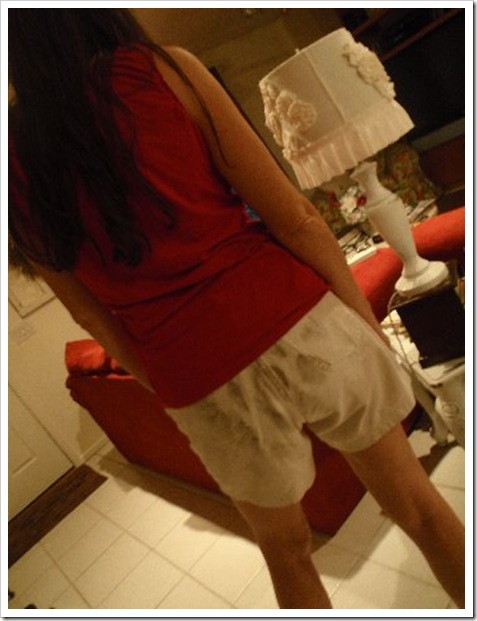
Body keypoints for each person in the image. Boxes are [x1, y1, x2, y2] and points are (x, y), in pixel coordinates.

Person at [8, 9, 464, 609]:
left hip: (195, 373)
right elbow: (296, 219)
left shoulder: (10, 161)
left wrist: (168, 384)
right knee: (419, 509)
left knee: (286, 553)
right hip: (298, 318)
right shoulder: (164, 71)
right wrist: (364, 321)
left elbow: (90, 317)